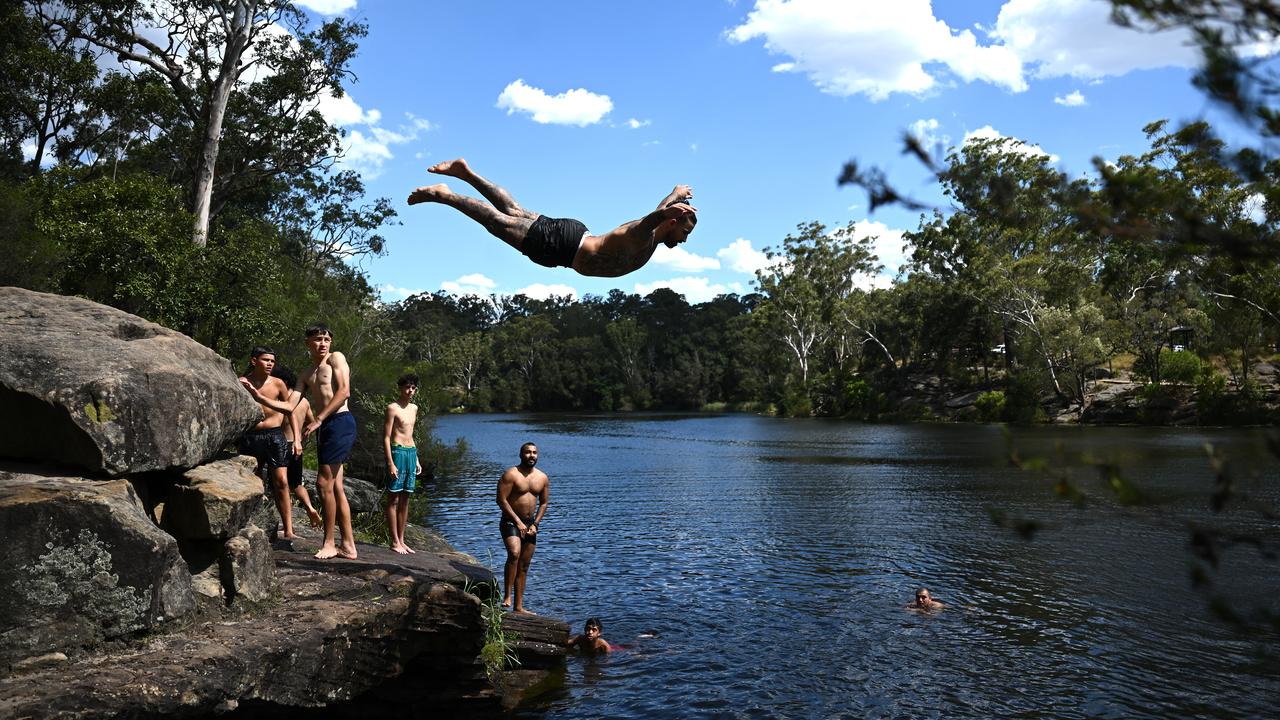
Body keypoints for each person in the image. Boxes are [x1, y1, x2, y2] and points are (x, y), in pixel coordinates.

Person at [407, 158, 697, 278]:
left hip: (572, 238)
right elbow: (651, 220)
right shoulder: (643, 235)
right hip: (564, 248)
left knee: (514, 211)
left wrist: (674, 194)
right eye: (685, 232)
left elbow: (658, 214)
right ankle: (445, 194)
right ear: (671, 222)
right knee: (498, 223)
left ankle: (465, 173)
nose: (684, 240)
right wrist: (667, 208)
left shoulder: (651, 240)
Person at [241, 324, 358, 560]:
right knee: (335, 487)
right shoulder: (306, 374)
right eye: (317, 339)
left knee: (324, 485)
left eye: (326, 339)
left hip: (340, 422)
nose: (323, 343)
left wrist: (319, 420)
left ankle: (329, 543)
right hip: (327, 426)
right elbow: (288, 406)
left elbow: (344, 391)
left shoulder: (336, 358)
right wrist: (257, 395)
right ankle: (348, 546)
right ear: (308, 344)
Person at [237, 346, 297, 540]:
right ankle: (251, 523)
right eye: (266, 360)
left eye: (272, 361)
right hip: (250, 436)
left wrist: (296, 439)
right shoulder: (242, 382)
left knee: (281, 481)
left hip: (274, 435)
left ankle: (288, 529)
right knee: (253, 481)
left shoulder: (278, 384)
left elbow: (290, 410)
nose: (270, 364)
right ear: (254, 361)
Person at [497, 442, 549, 614]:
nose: (531, 455)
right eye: (527, 452)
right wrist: (518, 522)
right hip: (510, 521)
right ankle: (507, 597)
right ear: (521, 454)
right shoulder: (511, 474)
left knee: (524, 565)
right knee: (514, 553)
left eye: (534, 452)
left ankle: (519, 607)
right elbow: (501, 500)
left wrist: (535, 524)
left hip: (530, 524)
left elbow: (544, 503)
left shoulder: (542, 478)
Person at [271, 366, 323, 529]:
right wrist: (302, 434)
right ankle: (309, 507)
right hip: (297, 445)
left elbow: (275, 422)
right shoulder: (304, 401)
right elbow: (311, 422)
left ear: (283, 382)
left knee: (279, 485)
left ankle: (288, 525)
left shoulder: (282, 401)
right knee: (296, 484)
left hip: (281, 444)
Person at [383, 373, 422, 555]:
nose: (410, 391)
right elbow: (386, 437)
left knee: (406, 499)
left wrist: (417, 459)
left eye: (413, 388)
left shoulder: (414, 408)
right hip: (397, 452)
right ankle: (394, 541)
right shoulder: (392, 408)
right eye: (407, 387)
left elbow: (410, 434)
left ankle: (402, 540)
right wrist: (391, 463)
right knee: (393, 498)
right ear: (400, 387)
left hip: (410, 452)